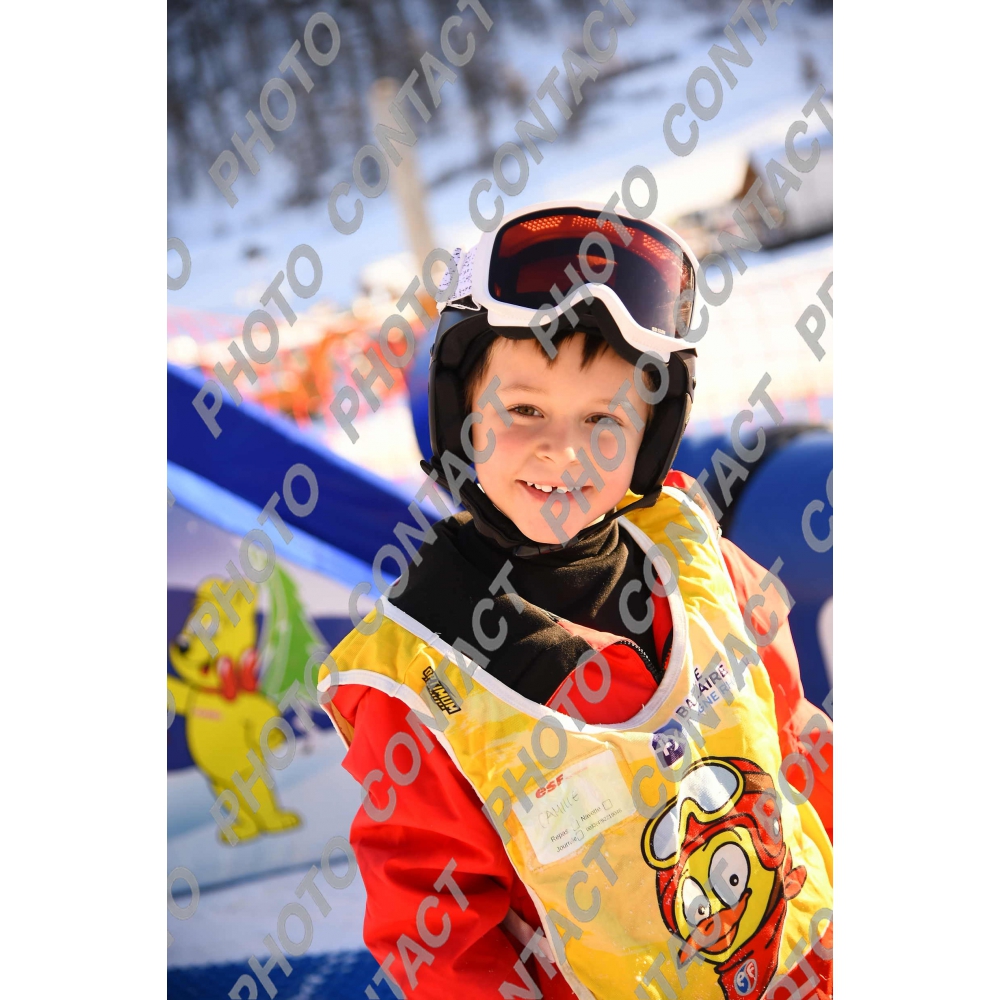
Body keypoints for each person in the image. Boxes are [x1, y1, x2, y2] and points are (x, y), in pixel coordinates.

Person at [319, 201, 833, 1000]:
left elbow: (797, 742)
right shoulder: (425, 677)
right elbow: (442, 945)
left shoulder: (698, 562)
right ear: (462, 416)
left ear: (650, 431)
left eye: (603, 418)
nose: (564, 450)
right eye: (525, 410)